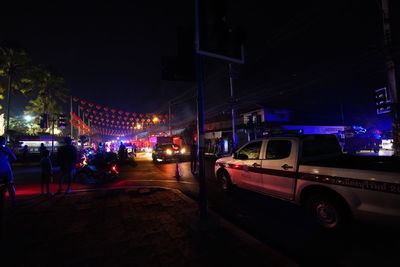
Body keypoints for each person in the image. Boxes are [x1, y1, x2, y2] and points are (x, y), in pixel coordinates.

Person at [0, 136, 17, 206]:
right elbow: (14, 158)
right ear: (3, 141)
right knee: (10, 186)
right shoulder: (6, 149)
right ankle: (13, 202)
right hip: (6, 170)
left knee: (1, 187)